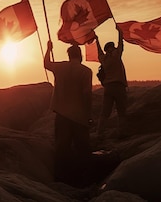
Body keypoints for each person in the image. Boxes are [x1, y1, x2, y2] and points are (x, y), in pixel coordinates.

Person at [44, 40, 92, 183]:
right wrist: (89, 115)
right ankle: (85, 179)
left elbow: (46, 64)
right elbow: (87, 95)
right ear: (81, 55)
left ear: (69, 55)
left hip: (62, 115)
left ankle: (60, 178)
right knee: (82, 149)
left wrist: (48, 49)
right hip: (79, 116)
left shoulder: (60, 67)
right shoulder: (85, 71)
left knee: (61, 148)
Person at [95, 26, 128, 139]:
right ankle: (122, 133)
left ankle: (99, 132)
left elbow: (98, 51)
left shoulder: (103, 59)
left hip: (108, 87)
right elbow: (121, 44)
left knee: (105, 112)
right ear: (112, 47)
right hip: (119, 86)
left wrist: (96, 40)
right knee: (121, 111)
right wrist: (120, 32)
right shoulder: (116, 55)